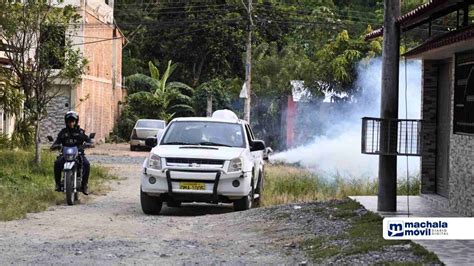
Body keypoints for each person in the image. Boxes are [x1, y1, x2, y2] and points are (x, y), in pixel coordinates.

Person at [51, 111, 91, 195]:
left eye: (73, 121)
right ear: (66, 122)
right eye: (69, 121)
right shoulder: (63, 132)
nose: (71, 123)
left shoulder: (80, 132)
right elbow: (57, 141)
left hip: (78, 154)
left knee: (86, 164)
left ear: (76, 121)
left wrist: (89, 143)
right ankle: (58, 184)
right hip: (65, 154)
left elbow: (88, 139)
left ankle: (84, 185)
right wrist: (54, 145)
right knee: (57, 163)